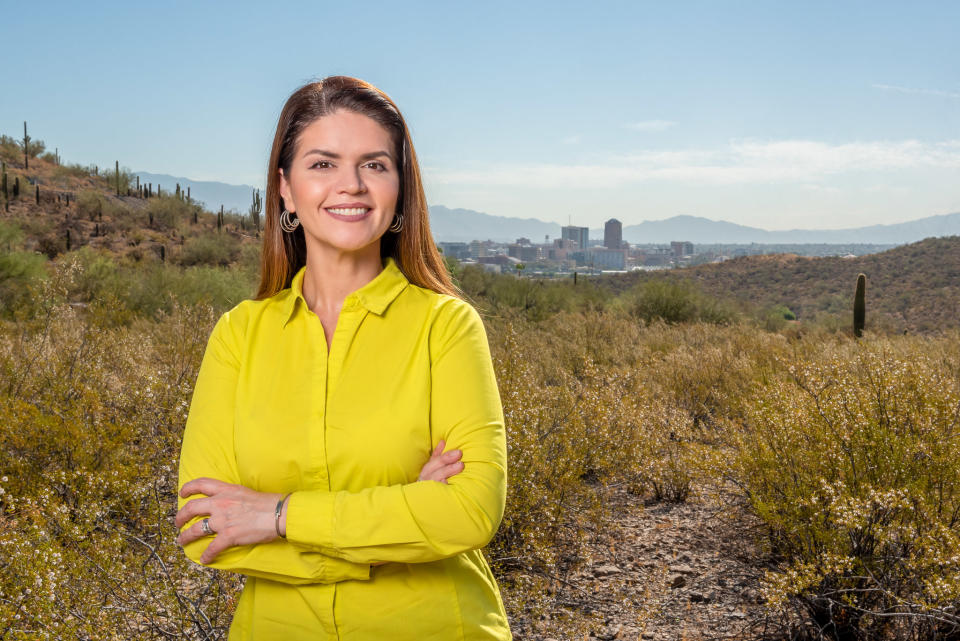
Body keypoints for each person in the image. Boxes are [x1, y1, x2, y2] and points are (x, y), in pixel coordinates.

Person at [174, 76, 511, 640]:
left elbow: (470, 511)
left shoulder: (446, 327)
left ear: (400, 188)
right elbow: (205, 528)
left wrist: (276, 518)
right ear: (284, 188)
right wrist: (401, 530)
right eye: (323, 164)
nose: (351, 186)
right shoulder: (238, 335)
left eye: (375, 165)